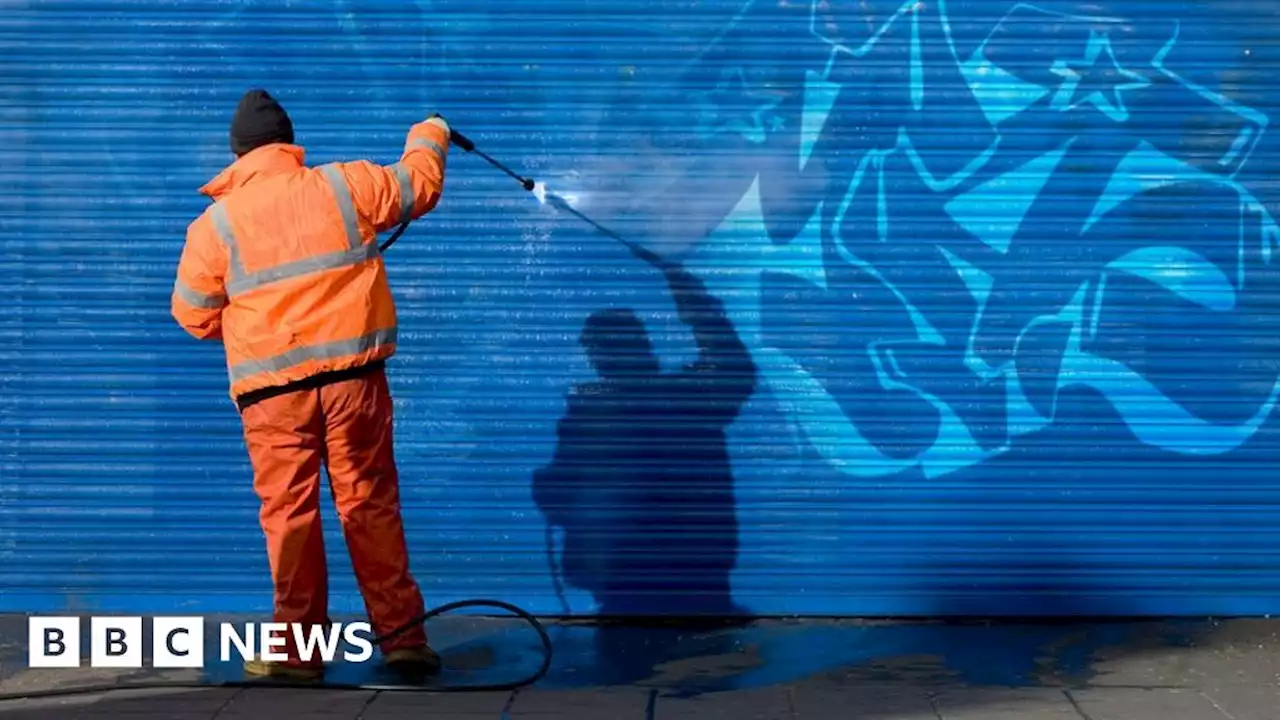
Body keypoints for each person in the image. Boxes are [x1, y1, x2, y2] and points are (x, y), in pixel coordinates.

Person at [170, 89, 450, 680]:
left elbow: (192, 313)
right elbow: (418, 185)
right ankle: (402, 639)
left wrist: (258, 328)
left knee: (289, 515)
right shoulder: (343, 186)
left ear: (238, 153)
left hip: (272, 396)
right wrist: (430, 130)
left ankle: (297, 656)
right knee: (369, 503)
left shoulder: (214, 225)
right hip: (355, 385)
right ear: (288, 143)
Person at [533, 264, 757, 617]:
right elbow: (735, 369)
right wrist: (699, 307)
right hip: (692, 576)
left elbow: (562, 495)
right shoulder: (687, 395)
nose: (593, 358)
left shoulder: (596, 410)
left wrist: (545, 486)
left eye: (597, 348)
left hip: (627, 582)